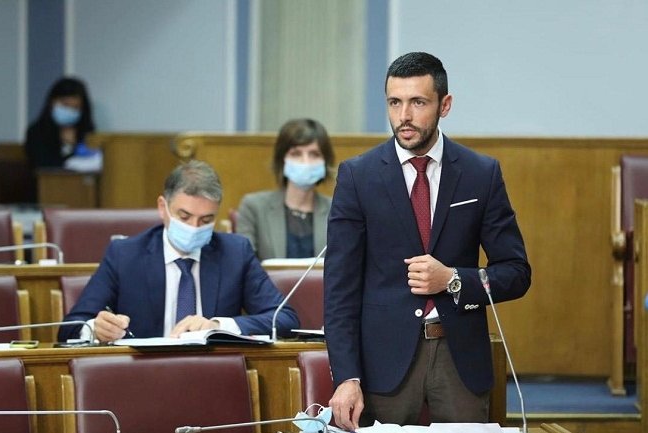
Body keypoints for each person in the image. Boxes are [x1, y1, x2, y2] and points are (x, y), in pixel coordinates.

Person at [323, 52, 531, 429]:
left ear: (444, 105)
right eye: (394, 102)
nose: (404, 115)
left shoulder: (480, 173)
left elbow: (516, 273)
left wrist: (453, 279)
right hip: (383, 364)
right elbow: (339, 289)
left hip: (459, 360)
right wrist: (347, 377)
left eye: (418, 102)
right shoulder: (358, 176)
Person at [58, 160, 299, 343]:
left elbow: (285, 318)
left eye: (206, 219)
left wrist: (218, 326)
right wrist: (95, 329)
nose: (194, 227)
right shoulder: (125, 255)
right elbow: (69, 328)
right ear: (163, 208)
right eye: (184, 216)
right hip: (142, 375)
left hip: (214, 373)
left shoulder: (235, 253)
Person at [236, 118, 335, 260]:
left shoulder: (338, 211)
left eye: (314, 154)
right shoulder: (254, 207)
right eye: (296, 154)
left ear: (325, 162)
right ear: (282, 160)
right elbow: (244, 263)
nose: (305, 162)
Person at [25, 76, 95, 169]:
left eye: (75, 107)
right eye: (65, 105)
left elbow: (91, 162)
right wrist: (69, 147)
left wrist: (74, 145)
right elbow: (44, 165)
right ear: (52, 102)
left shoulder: (86, 131)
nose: (69, 111)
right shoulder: (36, 132)